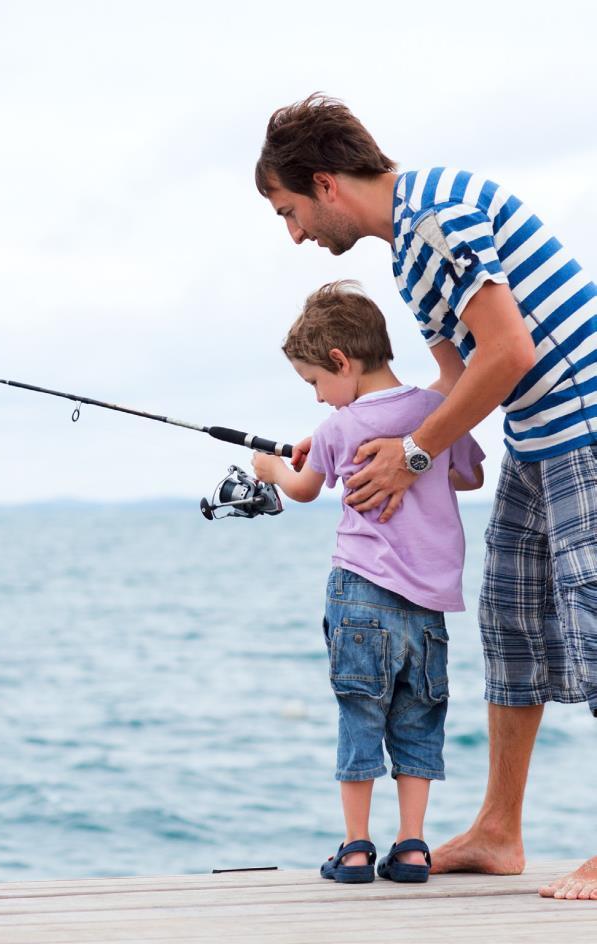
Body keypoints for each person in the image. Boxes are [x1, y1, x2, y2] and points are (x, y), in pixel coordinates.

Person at [254, 93, 597, 900]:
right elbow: (449, 383)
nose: (296, 233)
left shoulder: (438, 213)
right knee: (510, 626)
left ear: (326, 182)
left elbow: (507, 351)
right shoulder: (408, 254)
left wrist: (411, 455)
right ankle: (498, 833)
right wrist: (353, 430)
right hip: (535, 440)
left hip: (584, 427)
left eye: (289, 210)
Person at [252, 280, 484, 884]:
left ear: (340, 362)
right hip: (427, 606)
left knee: (360, 716)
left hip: (359, 594)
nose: (322, 399)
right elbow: (470, 477)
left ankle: (356, 849)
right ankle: (412, 848)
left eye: (315, 384)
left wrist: (269, 465)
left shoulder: (340, 426)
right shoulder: (436, 413)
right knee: (417, 719)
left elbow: (303, 490)